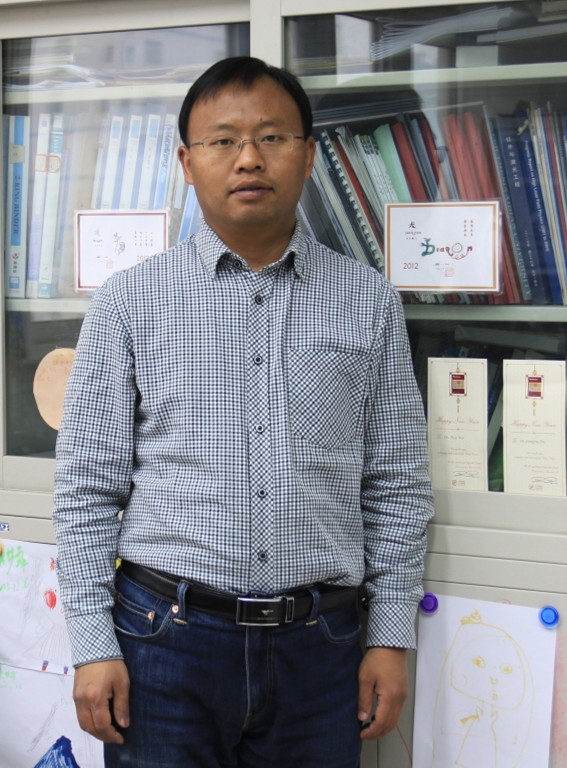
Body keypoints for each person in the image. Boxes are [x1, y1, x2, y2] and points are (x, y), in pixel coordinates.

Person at [53, 55, 434, 768]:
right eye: (223, 140)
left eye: (272, 137)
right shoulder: (129, 301)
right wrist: (92, 642)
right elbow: (86, 488)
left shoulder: (368, 301)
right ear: (186, 163)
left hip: (321, 647)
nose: (249, 158)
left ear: (308, 155)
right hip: (162, 642)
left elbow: (397, 483)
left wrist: (389, 635)